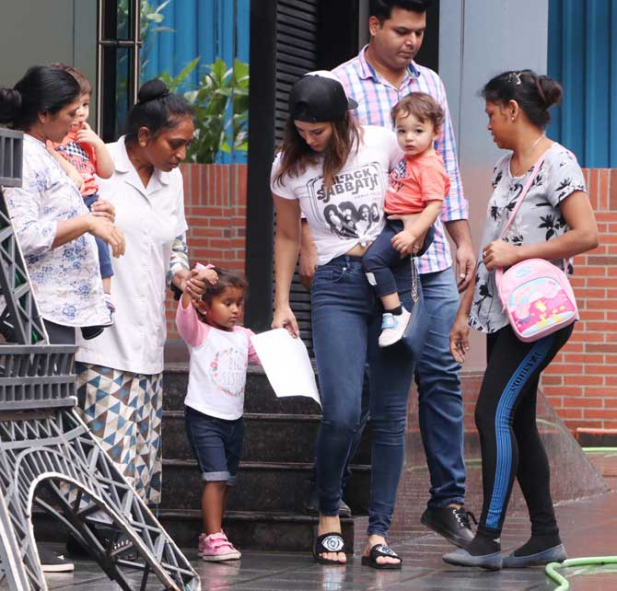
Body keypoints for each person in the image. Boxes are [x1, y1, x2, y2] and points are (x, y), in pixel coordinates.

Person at [300, 0, 475, 548]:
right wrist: (310, 242)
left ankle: (447, 501)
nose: (412, 41)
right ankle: (335, 492)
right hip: (369, 256)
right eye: (402, 30)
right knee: (363, 394)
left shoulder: (432, 84)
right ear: (374, 26)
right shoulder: (340, 84)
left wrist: (460, 235)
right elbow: (317, 170)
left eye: (420, 32)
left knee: (441, 375)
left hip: (429, 259)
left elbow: (442, 163)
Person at [443, 70, 598, 570]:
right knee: (520, 422)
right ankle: (546, 537)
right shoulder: (500, 168)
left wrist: (520, 251)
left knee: (492, 412)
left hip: (542, 316)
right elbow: (490, 246)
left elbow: (587, 234)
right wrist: (464, 314)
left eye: (491, 113)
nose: (487, 123)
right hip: (503, 313)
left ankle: (487, 538)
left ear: (513, 109)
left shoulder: (559, 163)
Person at [272, 70, 419, 569]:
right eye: (302, 130)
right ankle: (329, 513)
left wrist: (424, 230)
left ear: (343, 120)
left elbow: (426, 177)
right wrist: (282, 301)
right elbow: (289, 236)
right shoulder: (288, 167)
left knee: (391, 416)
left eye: (319, 131)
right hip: (334, 285)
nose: (310, 139)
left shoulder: (380, 142)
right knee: (341, 410)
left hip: (394, 280)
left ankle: (379, 531)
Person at [71, 79, 206, 553]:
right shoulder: (96, 161)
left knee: (140, 447)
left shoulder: (173, 180)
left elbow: (176, 244)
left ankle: (126, 534)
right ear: (144, 136)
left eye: (187, 144)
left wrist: (183, 277)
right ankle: (94, 534)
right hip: (100, 332)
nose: (183, 154)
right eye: (177, 143)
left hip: (149, 333)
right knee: (105, 437)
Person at [0, 65, 125, 571]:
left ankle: (23, 542)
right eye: (71, 114)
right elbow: (25, 236)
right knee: (27, 429)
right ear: (45, 114)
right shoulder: (22, 156)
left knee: (32, 431)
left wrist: (93, 217)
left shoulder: (42, 152)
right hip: (35, 313)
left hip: (53, 311)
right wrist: (88, 221)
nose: (78, 123)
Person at [176, 264, 260, 561]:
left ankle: (213, 533)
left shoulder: (243, 335)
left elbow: (267, 355)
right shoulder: (198, 333)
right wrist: (194, 285)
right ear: (204, 305)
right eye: (227, 303)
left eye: (239, 303)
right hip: (204, 417)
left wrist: (285, 340)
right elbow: (184, 311)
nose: (235, 310)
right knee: (215, 477)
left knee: (225, 480)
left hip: (233, 420)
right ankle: (214, 536)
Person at [363, 92, 447, 347]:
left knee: (373, 261)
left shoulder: (429, 165)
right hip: (397, 223)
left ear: (435, 133)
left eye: (418, 130)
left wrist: (413, 233)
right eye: (402, 131)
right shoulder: (409, 159)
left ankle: (397, 314)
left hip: (409, 227)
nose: (409, 137)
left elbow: (434, 205)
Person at [48, 63, 116, 320]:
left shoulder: (85, 137)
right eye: (75, 108)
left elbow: (107, 171)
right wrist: (70, 170)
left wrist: (97, 143)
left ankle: (105, 300)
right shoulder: (54, 137)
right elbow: (49, 153)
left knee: (101, 247)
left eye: (86, 106)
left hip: (90, 199)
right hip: (70, 200)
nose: (81, 114)